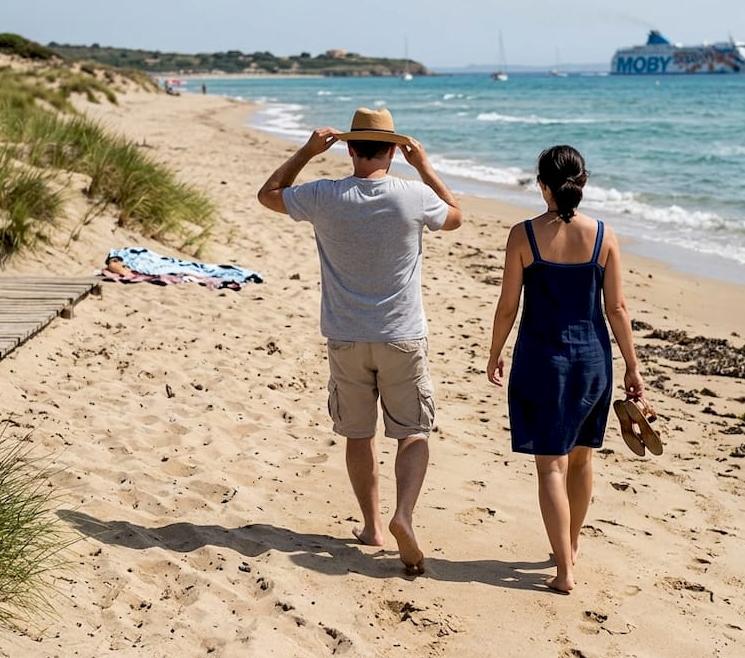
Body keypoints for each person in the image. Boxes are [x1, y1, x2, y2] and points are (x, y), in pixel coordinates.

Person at [258, 107, 463, 575]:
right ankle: (403, 516)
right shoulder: (412, 196)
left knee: (357, 433)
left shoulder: (325, 195)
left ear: (350, 148)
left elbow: (269, 194)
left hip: (346, 335)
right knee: (412, 431)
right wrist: (425, 167)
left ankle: (371, 525)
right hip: (401, 334)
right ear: (392, 150)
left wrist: (308, 152)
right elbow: (454, 217)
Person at [486, 144, 645, 593]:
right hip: (593, 362)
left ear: (542, 186)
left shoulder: (524, 235)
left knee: (550, 467)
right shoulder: (604, 236)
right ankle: (569, 549)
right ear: (583, 183)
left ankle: (565, 572)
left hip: (542, 360)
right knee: (581, 459)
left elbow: (507, 306)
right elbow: (617, 308)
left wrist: (495, 351)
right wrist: (632, 366)